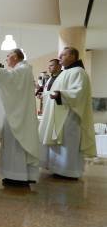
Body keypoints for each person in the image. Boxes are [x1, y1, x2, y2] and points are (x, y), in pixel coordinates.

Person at [0, 49, 41, 186]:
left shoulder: (23, 69)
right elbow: (6, 79)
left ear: (16, 57)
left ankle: (18, 176)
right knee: (11, 144)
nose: (6, 58)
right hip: (15, 113)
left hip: (19, 116)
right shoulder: (22, 69)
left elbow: (8, 78)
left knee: (16, 144)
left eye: (9, 55)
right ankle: (14, 175)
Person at [39, 47, 96, 179]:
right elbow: (55, 91)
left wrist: (61, 95)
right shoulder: (65, 72)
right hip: (59, 114)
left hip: (70, 116)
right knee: (59, 143)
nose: (60, 57)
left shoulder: (79, 72)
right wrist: (48, 94)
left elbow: (78, 93)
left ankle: (69, 172)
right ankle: (58, 169)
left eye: (63, 55)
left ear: (73, 56)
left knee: (68, 143)